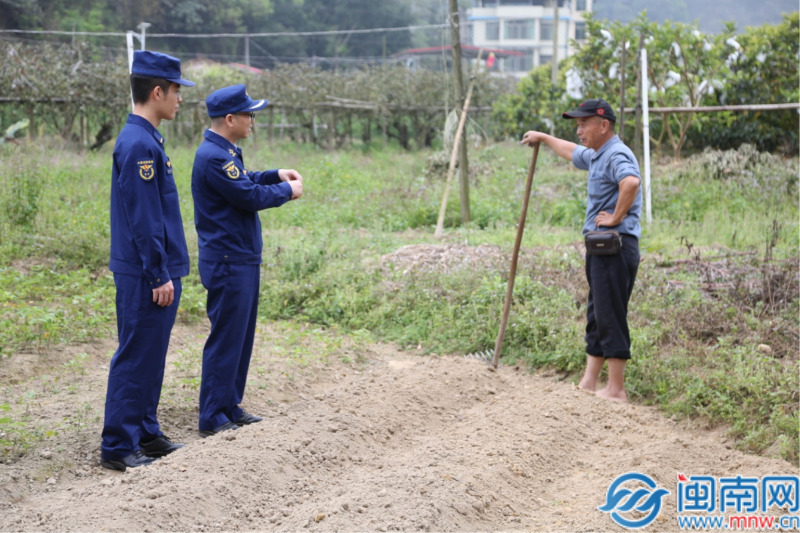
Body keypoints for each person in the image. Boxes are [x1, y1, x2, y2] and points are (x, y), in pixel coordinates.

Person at [101, 50, 195, 470]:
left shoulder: (148, 138)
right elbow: (144, 218)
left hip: (153, 269)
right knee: (136, 354)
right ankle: (119, 444)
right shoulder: (139, 143)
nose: (179, 99)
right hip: (144, 272)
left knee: (152, 353)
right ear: (157, 91)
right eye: (176, 91)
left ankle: (145, 430)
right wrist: (158, 272)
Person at [192, 84, 303, 436]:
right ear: (230, 119)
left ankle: (228, 405)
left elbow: (245, 180)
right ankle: (213, 415)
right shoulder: (213, 156)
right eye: (249, 114)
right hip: (228, 260)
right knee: (227, 337)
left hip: (239, 257)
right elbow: (247, 194)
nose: (252, 121)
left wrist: (275, 175)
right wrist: (287, 191)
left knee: (240, 336)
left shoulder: (224, 152)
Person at [521, 98, 641, 402]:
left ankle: (616, 389)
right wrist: (545, 138)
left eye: (583, 123)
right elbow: (573, 153)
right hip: (601, 250)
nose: (578, 130)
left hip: (615, 247)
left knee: (610, 314)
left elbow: (631, 182)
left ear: (603, 125)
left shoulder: (616, 153)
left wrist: (615, 217)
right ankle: (589, 381)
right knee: (597, 313)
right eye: (577, 124)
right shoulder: (599, 155)